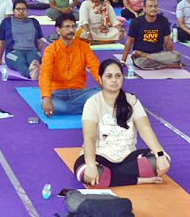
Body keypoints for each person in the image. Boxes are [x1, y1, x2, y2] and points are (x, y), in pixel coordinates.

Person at [70, 58, 170, 188]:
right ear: (100, 79)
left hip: (128, 159)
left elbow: (145, 129)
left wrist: (160, 154)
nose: (114, 80)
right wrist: (90, 165)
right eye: (109, 76)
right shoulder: (92, 103)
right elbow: (89, 137)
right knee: (84, 172)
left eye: (118, 76)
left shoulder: (132, 100)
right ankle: (138, 180)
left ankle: (111, 177)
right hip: (100, 157)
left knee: (164, 160)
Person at [40, 13, 102, 117]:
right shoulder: (51, 51)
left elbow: (96, 68)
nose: (71, 30)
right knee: (43, 102)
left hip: (79, 92)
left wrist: (106, 85)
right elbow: (45, 74)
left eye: (73, 26)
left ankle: (75, 108)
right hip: (58, 93)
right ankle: (85, 108)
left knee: (101, 91)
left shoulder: (84, 47)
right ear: (58, 30)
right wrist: (46, 97)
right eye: (67, 27)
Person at [121, 0, 183, 71]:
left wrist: (170, 56)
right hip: (141, 55)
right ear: (144, 9)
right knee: (141, 63)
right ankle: (165, 65)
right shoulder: (136, 22)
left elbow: (167, 41)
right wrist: (123, 61)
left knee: (177, 56)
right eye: (150, 6)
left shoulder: (163, 20)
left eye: (155, 6)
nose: (153, 9)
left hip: (158, 53)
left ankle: (154, 60)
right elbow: (129, 41)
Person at [0, 0, 46, 79]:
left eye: (24, 9)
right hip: (13, 52)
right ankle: (29, 73)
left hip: (32, 50)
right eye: (18, 9)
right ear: (13, 11)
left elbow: (39, 42)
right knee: (20, 62)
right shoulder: (6, 22)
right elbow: (1, 42)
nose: (21, 11)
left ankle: (33, 68)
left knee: (34, 61)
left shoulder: (34, 22)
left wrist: (37, 53)